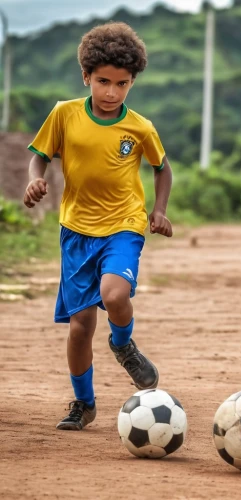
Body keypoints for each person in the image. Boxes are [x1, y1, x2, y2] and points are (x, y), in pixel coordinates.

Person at [23, 22, 173, 431]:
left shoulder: (139, 127)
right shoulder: (64, 113)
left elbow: (163, 169)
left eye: (121, 84)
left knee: (115, 292)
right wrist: (35, 178)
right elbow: (40, 155)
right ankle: (83, 403)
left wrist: (159, 210)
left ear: (132, 83)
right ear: (86, 76)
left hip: (124, 224)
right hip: (76, 231)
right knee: (80, 327)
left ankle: (123, 345)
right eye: (103, 81)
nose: (111, 92)